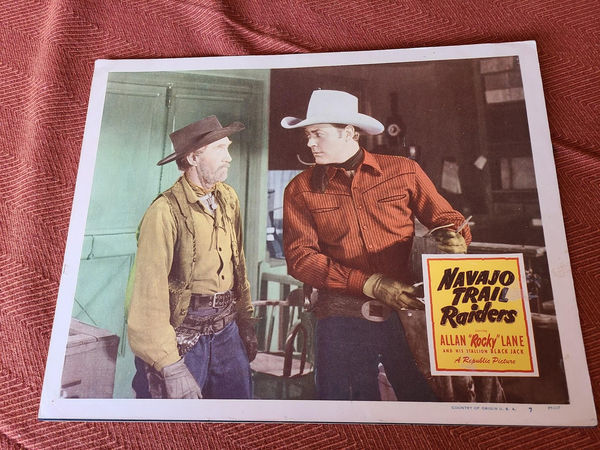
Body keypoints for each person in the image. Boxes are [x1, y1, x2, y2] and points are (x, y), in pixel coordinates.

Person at [281, 90, 471, 401]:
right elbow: (301, 259)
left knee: (423, 402)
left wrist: (454, 234)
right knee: (345, 410)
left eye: (317, 133)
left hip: (405, 321)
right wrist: (372, 284)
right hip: (340, 324)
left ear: (349, 132)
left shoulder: (404, 171)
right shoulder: (300, 189)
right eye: (307, 135)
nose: (309, 142)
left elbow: (447, 218)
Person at [127, 115, 257, 399]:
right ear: (193, 158)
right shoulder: (163, 211)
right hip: (183, 335)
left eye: (228, 148)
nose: (229, 158)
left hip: (227, 329)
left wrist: (245, 324)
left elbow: (239, 265)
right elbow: (149, 295)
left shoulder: (228, 197)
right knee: (175, 429)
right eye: (220, 149)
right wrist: (170, 366)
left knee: (237, 421)